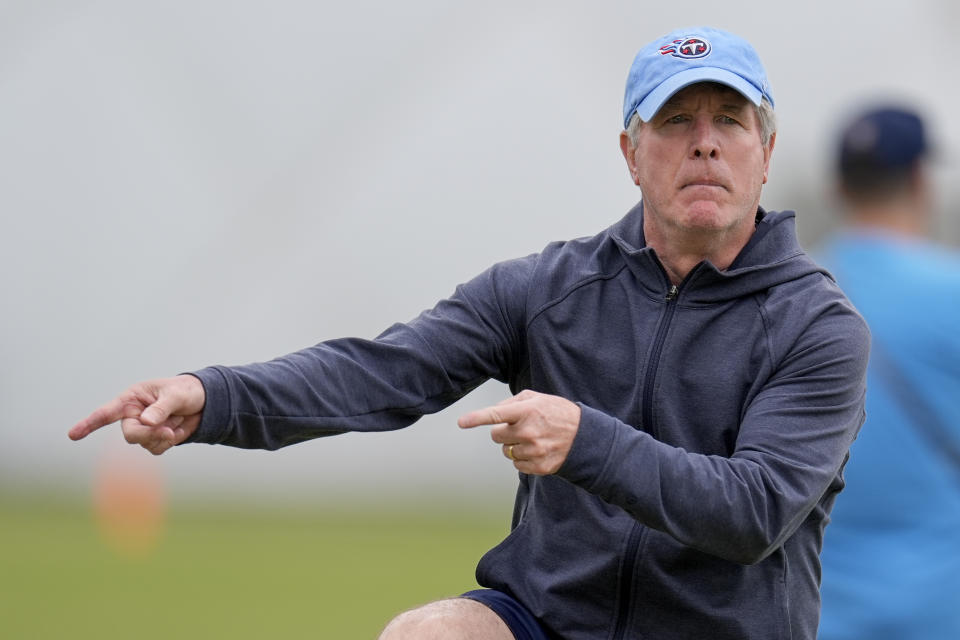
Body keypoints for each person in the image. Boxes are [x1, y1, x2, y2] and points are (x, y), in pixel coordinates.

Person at [69, 26, 870, 640]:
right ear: (631, 152)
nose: (704, 140)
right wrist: (211, 396)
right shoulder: (544, 289)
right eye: (676, 119)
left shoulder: (818, 326)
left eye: (729, 119)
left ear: (764, 153)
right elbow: (382, 372)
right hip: (546, 621)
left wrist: (586, 439)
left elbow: (752, 513)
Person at [816, 106, 960, 639]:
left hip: (814, 617)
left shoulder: (785, 298)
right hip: (939, 615)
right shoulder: (953, 294)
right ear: (922, 181)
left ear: (838, 188)